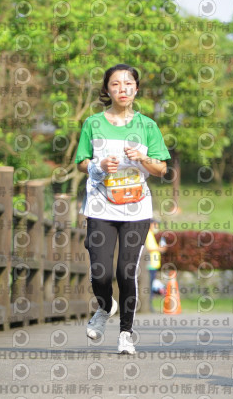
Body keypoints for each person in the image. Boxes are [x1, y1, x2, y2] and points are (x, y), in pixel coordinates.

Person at [75, 63, 170, 354]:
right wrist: (98, 165)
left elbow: (161, 168)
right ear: (107, 89)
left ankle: (126, 334)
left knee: (126, 272)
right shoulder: (93, 123)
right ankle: (105, 307)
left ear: (136, 89)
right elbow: (81, 162)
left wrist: (142, 157)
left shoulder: (147, 126)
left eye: (128, 84)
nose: (123, 89)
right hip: (100, 206)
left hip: (136, 210)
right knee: (100, 272)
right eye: (116, 84)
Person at [145, 219, 167, 312]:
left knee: (151, 285)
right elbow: (147, 249)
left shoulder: (151, 234)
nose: (156, 227)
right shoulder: (147, 234)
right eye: (155, 224)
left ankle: (149, 305)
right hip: (149, 265)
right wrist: (159, 248)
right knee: (148, 285)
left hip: (153, 265)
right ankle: (148, 306)